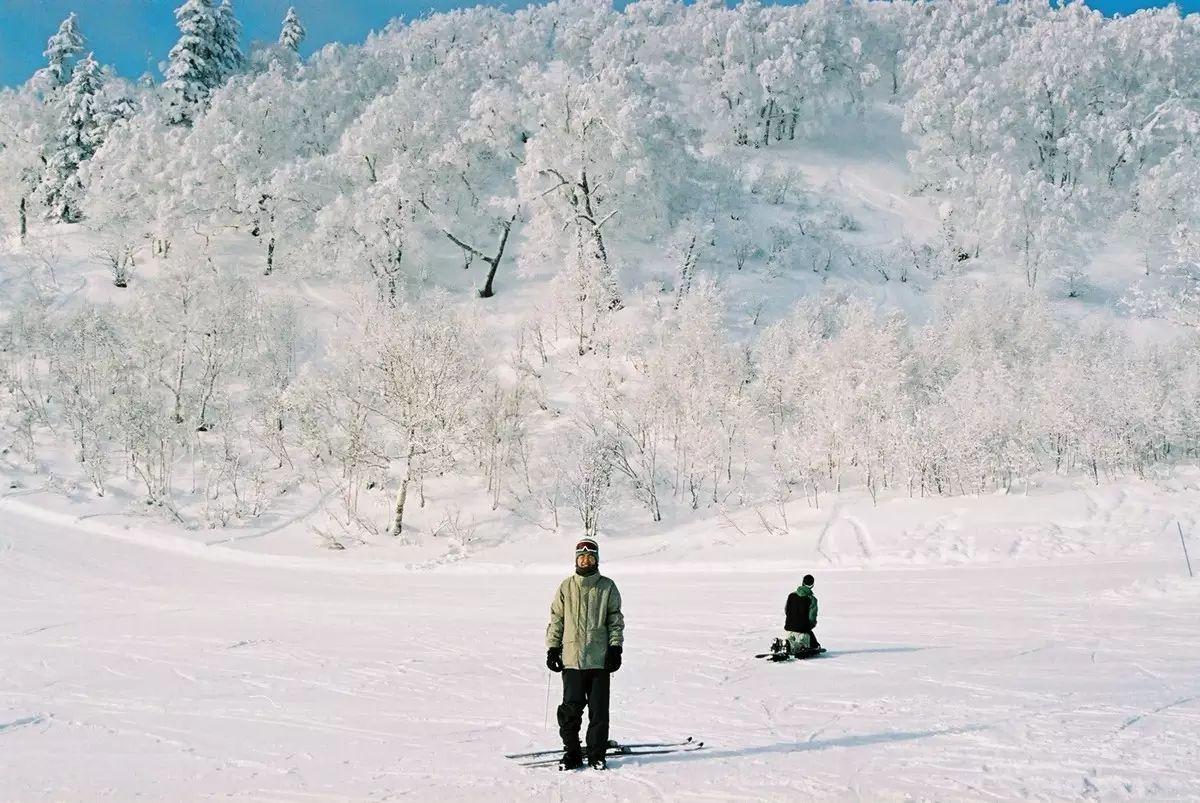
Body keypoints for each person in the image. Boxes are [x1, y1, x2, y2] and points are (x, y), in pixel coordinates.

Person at [545, 537, 625, 770]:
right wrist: (552, 648)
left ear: (596, 560)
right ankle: (571, 753)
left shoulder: (607, 587)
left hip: (599, 662)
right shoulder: (566, 587)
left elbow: (615, 620)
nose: (585, 560)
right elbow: (557, 620)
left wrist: (615, 648)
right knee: (570, 711)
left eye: (590, 557)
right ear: (576, 560)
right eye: (582, 557)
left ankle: (596, 755)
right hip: (572, 660)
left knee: (599, 712)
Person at [783, 574, 820, 654]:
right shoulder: (812, 599)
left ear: (802, 582)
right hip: (802, 630)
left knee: (790, 640)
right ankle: (792, 646)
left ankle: (784, 643)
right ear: (812, 585)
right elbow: (812, 618)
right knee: (802, 647)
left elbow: (786, 611)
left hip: (789, 627)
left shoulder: (791, 595)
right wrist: (809, 626)